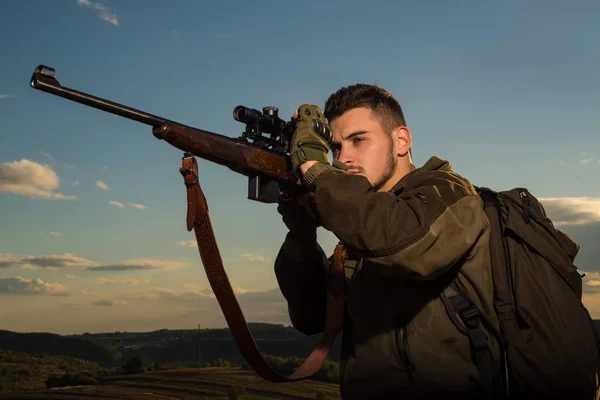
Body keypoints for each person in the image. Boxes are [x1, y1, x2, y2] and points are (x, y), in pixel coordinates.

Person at [273, 84, 503, 399]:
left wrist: (313, 168)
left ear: (401, 141)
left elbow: (397, 242)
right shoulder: (363, 226)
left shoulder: (449, 193)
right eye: (336, 147)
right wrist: (301, 233)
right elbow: (311, 317)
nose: (344, 158)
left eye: (358, 140)